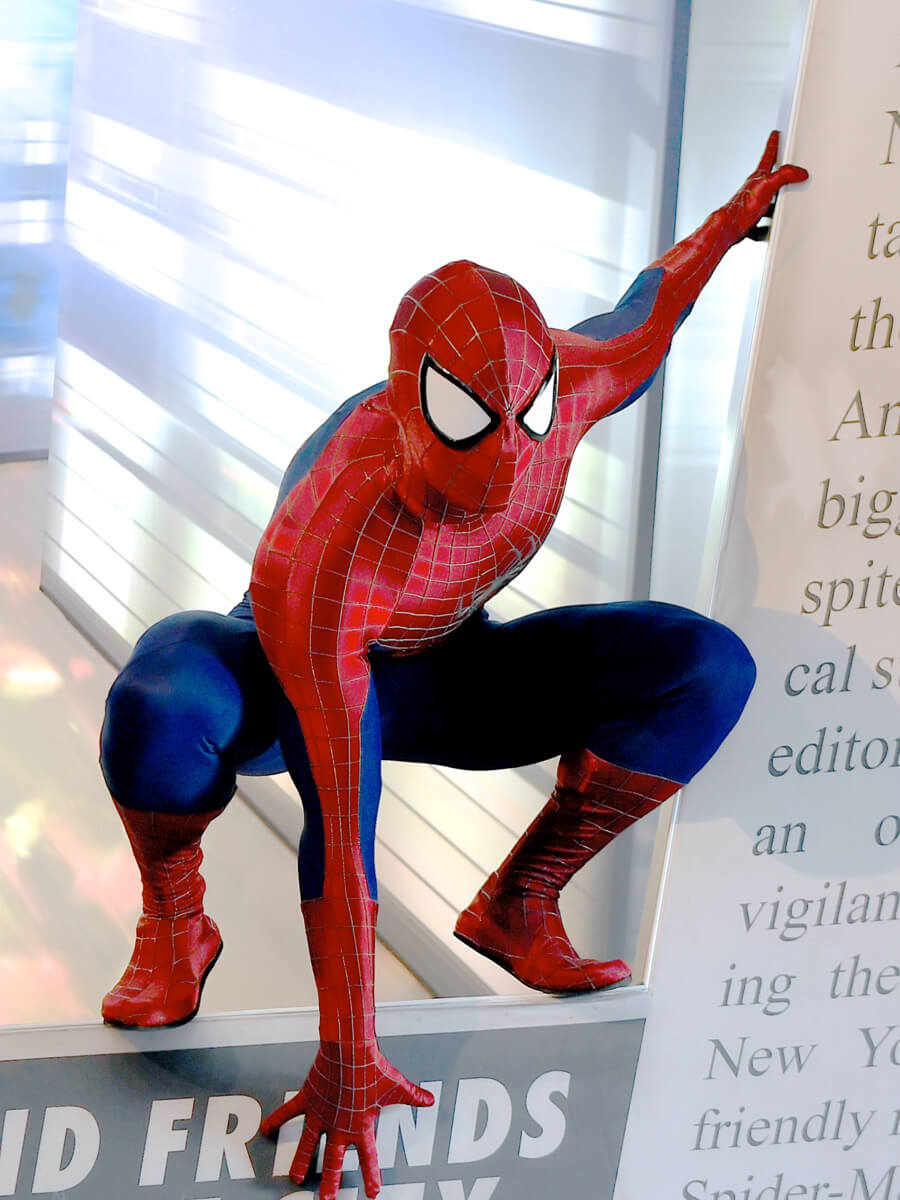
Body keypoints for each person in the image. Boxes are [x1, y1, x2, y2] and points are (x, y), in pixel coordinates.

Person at [99, 134, 806, 1200]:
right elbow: (341, 833)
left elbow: (650, 308)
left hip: (445, 662)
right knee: (159, 699)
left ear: (546, 387)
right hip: (293, 666)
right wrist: (349, 1052)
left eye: (521, 420)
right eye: (466, 420)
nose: (506, 457)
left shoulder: (574, 383)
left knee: (705, 668)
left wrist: (733, 216)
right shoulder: (335, 533)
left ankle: (522, 899)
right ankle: (174, 919)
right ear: (405, 400)